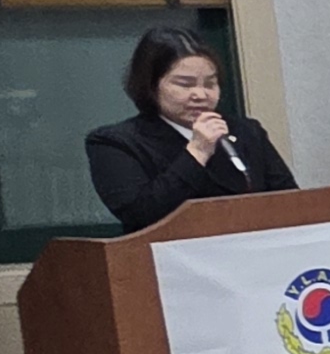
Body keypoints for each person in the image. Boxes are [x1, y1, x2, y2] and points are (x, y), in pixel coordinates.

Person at [84, 26, 298, 230]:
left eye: (210, 84)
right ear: (151, 86)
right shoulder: (116, 142)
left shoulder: (246, 131)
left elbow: (290, 201)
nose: (200, 95)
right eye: (185, 84)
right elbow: (141, 213)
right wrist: (198, 151)